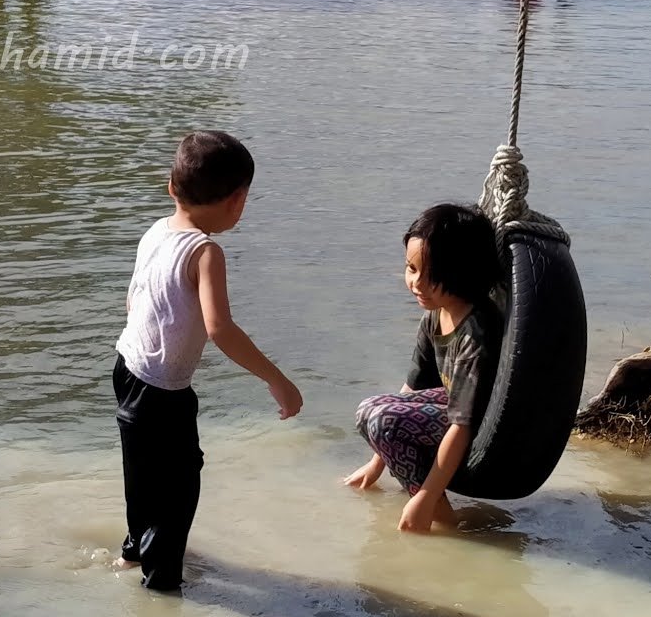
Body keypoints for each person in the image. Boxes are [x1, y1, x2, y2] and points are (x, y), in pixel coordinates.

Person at [114, 131, 301, 591]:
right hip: (162, 388)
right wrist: (277, 380)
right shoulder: (205, 251)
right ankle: (161, 585)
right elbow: (220, 329)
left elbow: (132, 300)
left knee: (142, 473)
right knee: (178, 487)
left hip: (127, 367)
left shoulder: (157, 230)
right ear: (237, 201)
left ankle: (133, 553)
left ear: (171, 187)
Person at [343, 203, 505, 534]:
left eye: (430, 275)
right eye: (411, 269)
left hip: (478, 428)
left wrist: (427, 496)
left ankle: (444, 518)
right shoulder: (434, 316)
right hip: (449, 413)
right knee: (369, 411)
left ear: (462, 272)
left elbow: (463, 425)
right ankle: (434, 510)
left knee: (384, 418)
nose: (417, 283)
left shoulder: (477, 333)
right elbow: (410, 391)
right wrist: (377, 463)